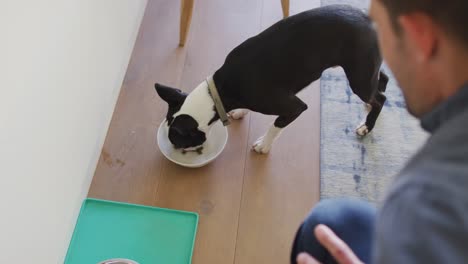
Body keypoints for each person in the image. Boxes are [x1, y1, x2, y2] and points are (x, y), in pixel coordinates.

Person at [291, 0, 468, 263]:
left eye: (378, 30)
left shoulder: (428, 199)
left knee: (322, 228)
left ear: (421, 38)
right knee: (329, 219)